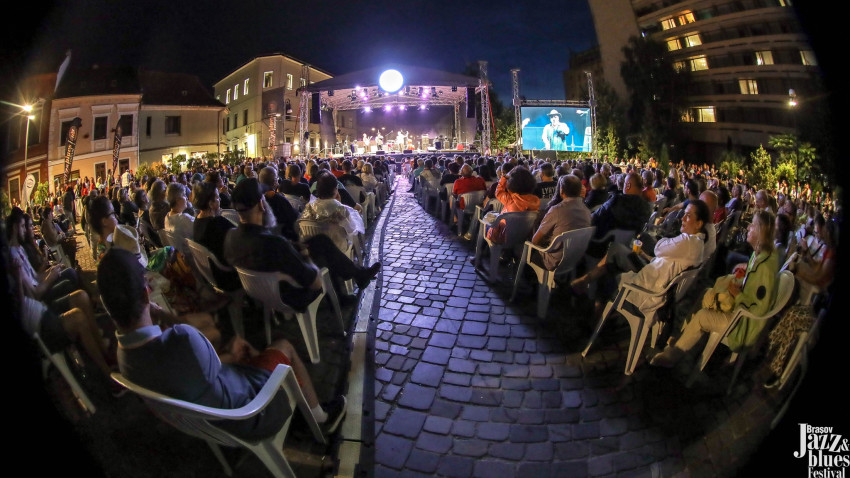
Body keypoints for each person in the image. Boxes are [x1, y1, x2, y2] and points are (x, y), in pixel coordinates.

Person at [97, 248, 347, 438]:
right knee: (284, 346)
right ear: (145, 294)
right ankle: (320, 419)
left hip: (206, 420)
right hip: (248, 413)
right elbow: (201, 352)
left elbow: (201, 373)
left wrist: (227, 356)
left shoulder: (124, 358)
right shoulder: (182, 338)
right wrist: (229, 355)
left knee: (246, 349)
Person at [224, 178, 380, 310]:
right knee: (324, 255)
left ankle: (357, 274)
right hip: (290, 293)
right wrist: (304, 257)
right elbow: (315, 282)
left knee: (320, 241)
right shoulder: (275, 243)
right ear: (261, 205)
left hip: (260, 289)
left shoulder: (231, 236)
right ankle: (350, 282)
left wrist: (293, 248)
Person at [650, 210, 779, 368]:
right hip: (740, 312)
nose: (749, 228)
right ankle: (680, 339)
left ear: (761, 232)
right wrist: (745, 273)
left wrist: (737, 294)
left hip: (744, 324)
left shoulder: (765, 266)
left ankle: (674, 355)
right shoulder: (759, 255)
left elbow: (760, 308)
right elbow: (754, 281)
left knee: (703, 316)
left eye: (752, 225)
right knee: (706, 295)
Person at [530, 175, 591, 270]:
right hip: (575, 258)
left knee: (529, 249)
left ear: (561, 191)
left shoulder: (556, 210)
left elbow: (535, 241)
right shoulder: (587, 211)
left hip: (554, 261)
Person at [164, 182, 195, 256]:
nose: (187, 198)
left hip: (182, 257)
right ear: (178, 200)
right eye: (184, 195)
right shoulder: (184, 219)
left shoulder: (167, 217)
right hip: (194, 258)